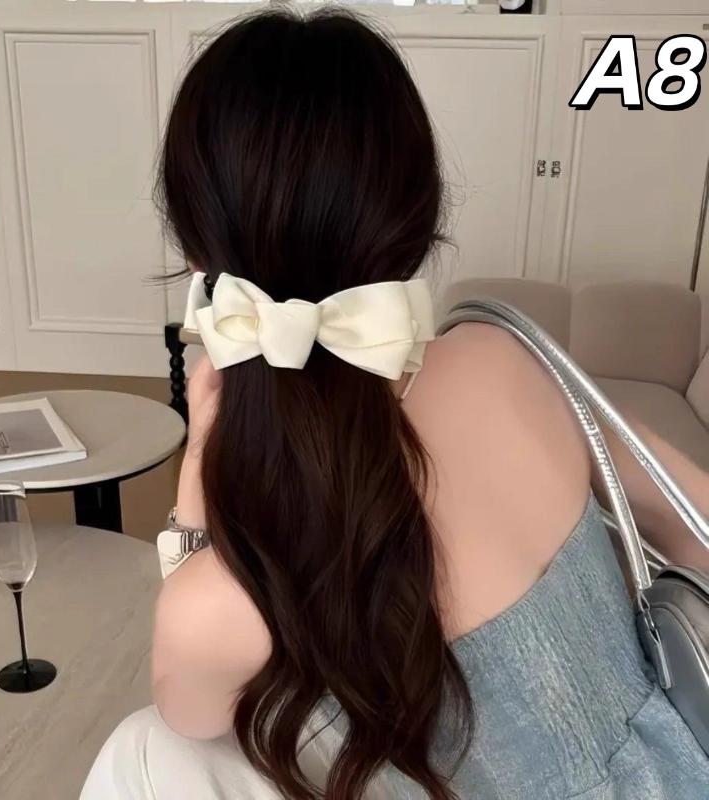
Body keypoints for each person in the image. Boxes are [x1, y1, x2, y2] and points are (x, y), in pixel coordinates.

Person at [81, 8, 709, 799]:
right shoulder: (506, 357)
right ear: (417, 213)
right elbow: (698, 522)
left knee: (143, 751)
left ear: (201, 256)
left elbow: (189, 718)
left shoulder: (220, 600)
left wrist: (199, 478)